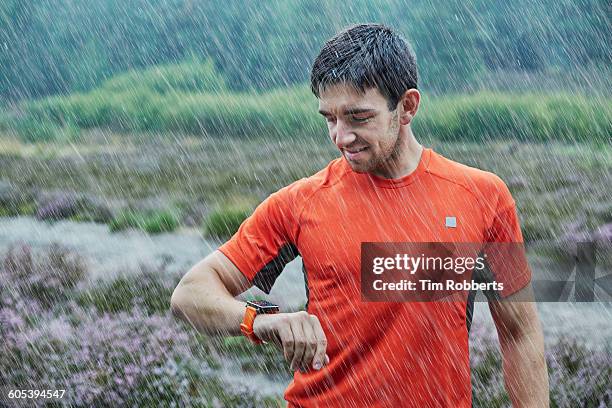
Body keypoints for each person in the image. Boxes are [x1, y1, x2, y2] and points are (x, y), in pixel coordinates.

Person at [171, 23, 549, 407]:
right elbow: (191, 293)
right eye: (329, 118)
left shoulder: (482, 197)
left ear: (407, 106)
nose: (341, 136)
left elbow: (520, 334)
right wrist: (261, 320)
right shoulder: (301, 204)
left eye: (358, 117)